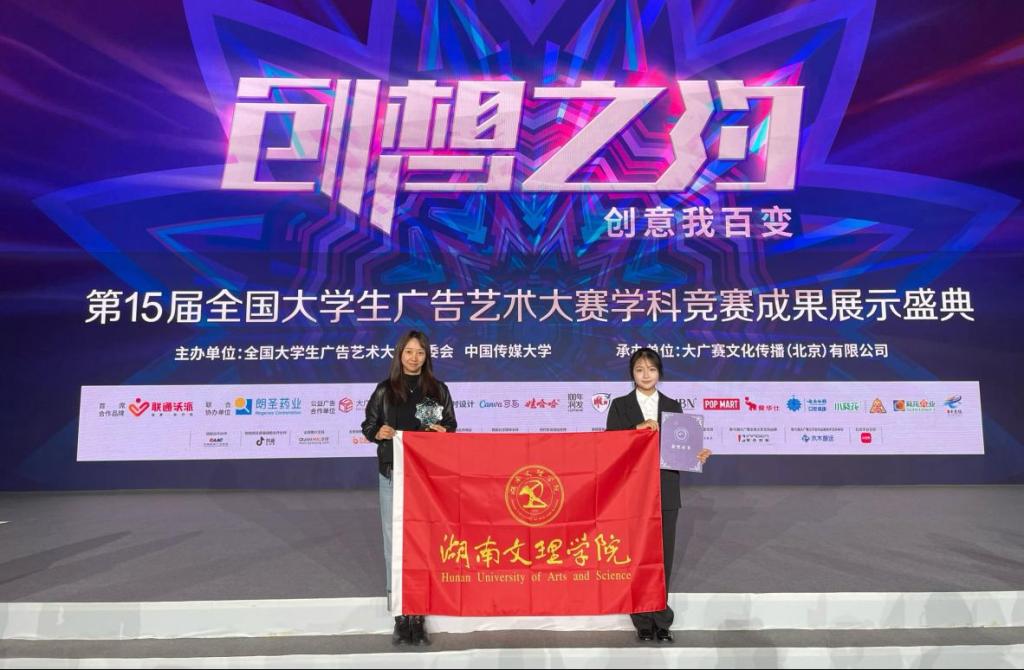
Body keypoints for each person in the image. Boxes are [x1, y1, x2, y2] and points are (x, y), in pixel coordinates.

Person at [605, 347, 711, 643]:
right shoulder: (620, 406)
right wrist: (637, 429)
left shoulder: (673, 406)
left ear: (659, 373)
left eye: (651, 369)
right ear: (632, 373)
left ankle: (661, 619)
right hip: (632, 491)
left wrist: (696, 455)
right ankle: (641, 619)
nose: (646, 375)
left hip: (665, 489)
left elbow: (682, 450)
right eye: (639, 369)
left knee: (663, 556)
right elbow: (610, 447)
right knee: (637, 555)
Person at [361, 330, 457, 646]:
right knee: (395, 543)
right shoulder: (385, 390)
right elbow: (369, 426)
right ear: (400, 354)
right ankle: (401, 613)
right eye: (409, 352)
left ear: (427, 356)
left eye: (420, 352)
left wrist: (443, 432)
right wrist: (379, 432)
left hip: (426, 479)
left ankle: (419, 612)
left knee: (424, 542)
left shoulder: (438, 390)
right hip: (393, 474)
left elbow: (451, 427)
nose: (414, 358)